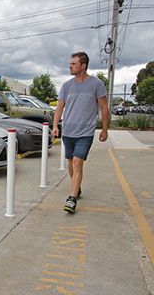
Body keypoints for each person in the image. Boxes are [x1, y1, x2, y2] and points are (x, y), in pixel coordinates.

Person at [51, 51, 109, 214]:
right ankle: (77, 188)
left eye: (73, 64)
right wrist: (55, 126)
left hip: (86, 131)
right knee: (70, 162)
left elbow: (104, 108)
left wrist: (105, 129)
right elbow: (59, 107)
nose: (70, 66)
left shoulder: (97, 84)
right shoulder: (67, 86)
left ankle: (72, 198)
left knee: (77, 162)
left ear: (83, 65)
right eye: (70, 64)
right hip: (68, 131)